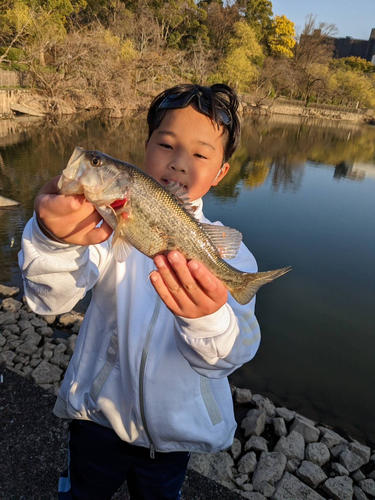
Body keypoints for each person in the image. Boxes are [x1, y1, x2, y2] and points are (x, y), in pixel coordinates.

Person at [19, 84, 261, 500]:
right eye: (166, 144)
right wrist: (53, 240)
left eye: (201, 154)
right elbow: (49, 301)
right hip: (98, 422)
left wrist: (208, 319)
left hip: (171, 441)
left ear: (221, 171)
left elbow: (232, 354)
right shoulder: (103, 224)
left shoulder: (236, 262)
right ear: (145, 146)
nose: (180, 163)